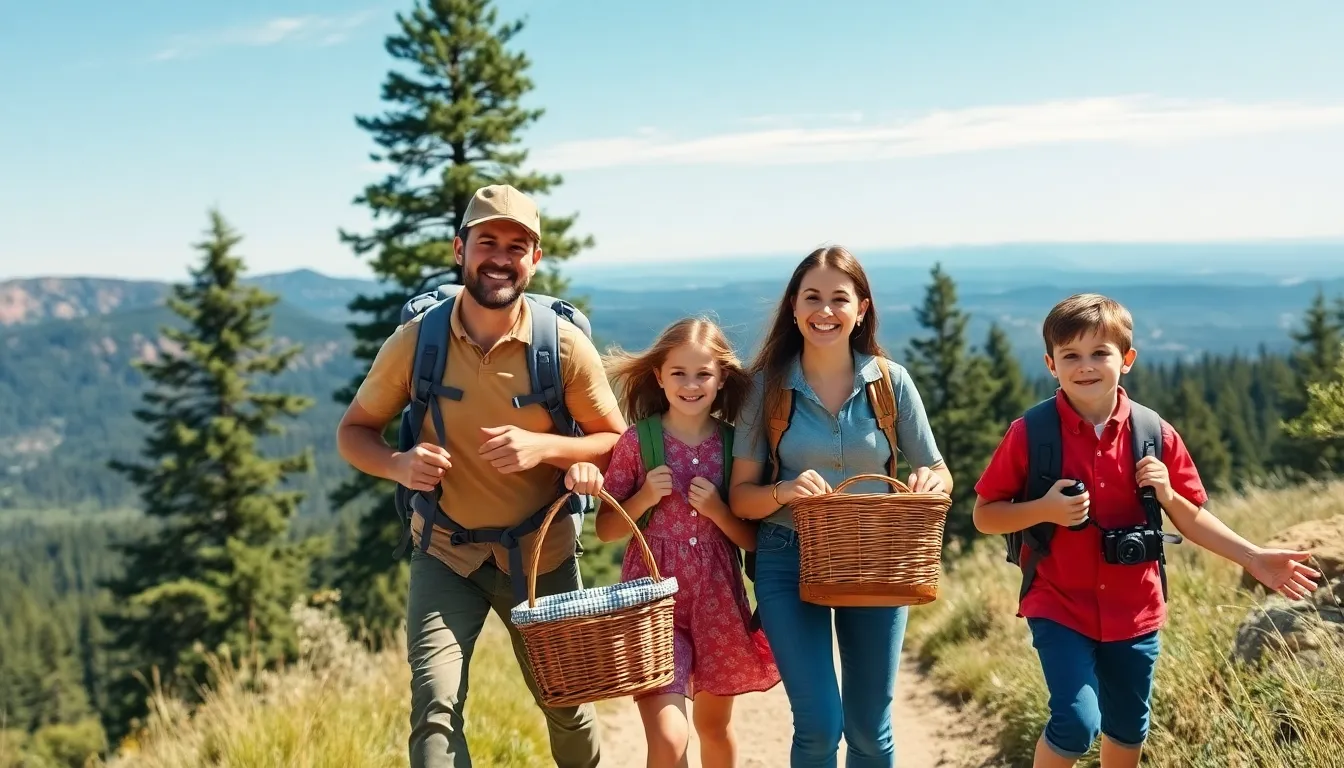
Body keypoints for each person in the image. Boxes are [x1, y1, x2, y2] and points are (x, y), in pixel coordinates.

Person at [335, 184, 625, 768]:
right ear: (459, 250)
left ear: (534, 260)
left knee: (566, 704)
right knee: (434, 708)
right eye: (486, 241)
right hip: (445, 551)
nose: (500, 256)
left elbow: (616, 442)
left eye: (516, 246)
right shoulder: (418, 343)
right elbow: (354, 431)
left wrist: (543, 447)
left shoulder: (561, 347)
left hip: (541, 556)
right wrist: (398, 464)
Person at [971, 293, 1321, 768]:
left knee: (1129, 725)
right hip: (1058, 604)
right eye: (1070, 355)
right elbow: (985, 514)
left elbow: (1190, 515)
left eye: (1100, 353)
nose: (1086, 366)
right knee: (1076, 723)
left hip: (1135, 609)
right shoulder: (1031, 433)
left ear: (1127, 359)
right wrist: (1044, 509)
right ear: (1051, 364)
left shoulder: (1153, 433)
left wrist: (1252, 555)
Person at [725, 246, 952, 768]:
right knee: (819, 727)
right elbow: (741, 497)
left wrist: (927, 482)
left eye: (838, 299)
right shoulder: (766, 387)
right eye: (812, 298)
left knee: (870, 731)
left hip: (879, 560)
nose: (824, 311)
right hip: (787, 557)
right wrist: (783, 492)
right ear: (793, 305)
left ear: (862, 308)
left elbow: (940, 473)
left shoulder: (891, 383)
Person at [576, 316, 781, 768]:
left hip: (717, 603)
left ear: (722, 377)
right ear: (658, 377)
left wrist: (719, 513)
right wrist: (645, 496)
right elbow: (608, 530)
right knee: (669, 740)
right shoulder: (638, 442)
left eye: (703, 373)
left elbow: (752, 540)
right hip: (652, 604)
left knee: (714, 729)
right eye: (679, 373)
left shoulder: (736, 446)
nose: (691, 384)